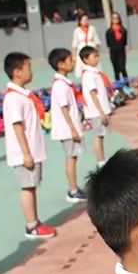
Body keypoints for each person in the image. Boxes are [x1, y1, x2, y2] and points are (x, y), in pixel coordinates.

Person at [2, 52, 56, 240]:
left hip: (32, 150)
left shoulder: (23, 95)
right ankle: (31, 225)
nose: (30, 71)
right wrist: (26, 153)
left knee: (32, 186)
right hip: (25, 153)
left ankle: (35, 221)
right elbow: (17, 127)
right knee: (27, 187)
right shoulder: (13, 99)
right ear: (17, 72)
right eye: (28, 68)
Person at [48, 47, 87, 202]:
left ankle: (74, 188)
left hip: (70, 127)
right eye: (70, 60)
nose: (74, 62)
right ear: (61, 64)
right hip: (67, 129)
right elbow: (64, 108)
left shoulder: (64, 83)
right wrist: (72, 128)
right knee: (70, 157)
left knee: (73, 157)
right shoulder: (60, 85)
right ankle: (72, 190)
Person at [80, 45, 112, 168]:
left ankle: (102, 158)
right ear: (85, 59)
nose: (97, 58)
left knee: (101, 135)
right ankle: (100, 161)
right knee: (98, 136)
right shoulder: (89, 75)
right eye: (94, 56)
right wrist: (101, 112)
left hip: (100, 110)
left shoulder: (94, 72)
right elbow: (93, 94)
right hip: (97, 112)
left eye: (97, 56)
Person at [71, 13, 99, 79]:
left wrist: (97, 53)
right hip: (82, 51)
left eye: (87, 19)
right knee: (83, 70)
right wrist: (74, 57)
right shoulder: (77, 30)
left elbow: (97, 41)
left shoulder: (92, 28)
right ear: (80, 21)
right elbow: (74, 45)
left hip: (91, 50)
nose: (86, 21)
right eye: (84, 20)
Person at [105, 12, 129, 80]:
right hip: (113, 52)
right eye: (113, 18)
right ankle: (118, 86)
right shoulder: (108, 32)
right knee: (116, 70)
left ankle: (126, 85)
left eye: (117, 18)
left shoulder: (123, 30)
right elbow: (108, 44)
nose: (115, 19)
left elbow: (125, 42)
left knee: (122, 68)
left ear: (119, 19)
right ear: (111, 19)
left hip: (121, 52)